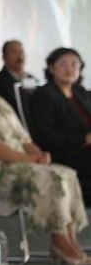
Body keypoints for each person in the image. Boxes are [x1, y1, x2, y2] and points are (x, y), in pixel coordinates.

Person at [0, 49, 89, 265]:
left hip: (16, 163)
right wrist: (28, 160)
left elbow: (24, 139)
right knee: (53, 178)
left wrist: (38, 155)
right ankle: (59, 240)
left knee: (66, 173)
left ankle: (69, 239)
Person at [28, 48, 91, 204]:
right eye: (63, 64)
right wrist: (83, 139)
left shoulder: (80, 92)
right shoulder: (44, 95)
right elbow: (46, 135)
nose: (69, 69)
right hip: (64, 152)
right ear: (51, 68)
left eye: (74, 64)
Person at [0, 40, 36, 109]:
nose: (20, 56)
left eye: (21, 52)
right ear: (4, 57)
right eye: (14, 52)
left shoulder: (31, 78)